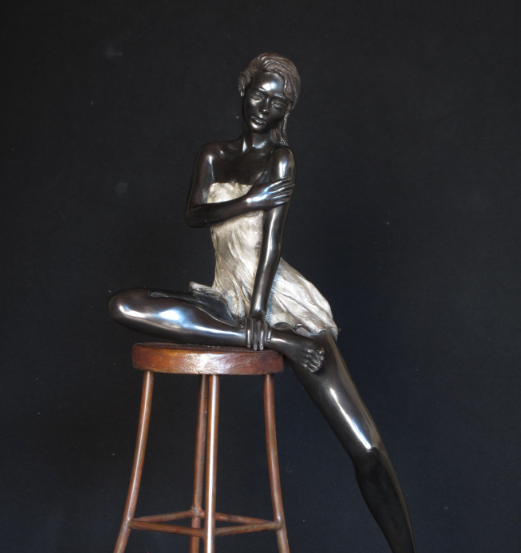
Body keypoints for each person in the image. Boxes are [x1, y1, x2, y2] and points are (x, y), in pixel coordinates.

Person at [109, 53, 417, 553]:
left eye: (277, 102)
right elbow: (194, 214)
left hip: (276, 299)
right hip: (227, 297)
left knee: (365, 445)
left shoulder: (281, 159)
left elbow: (271, 246)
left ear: (286, 110)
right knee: (124, 305)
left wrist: (260, 313)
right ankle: (277, 341)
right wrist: (251, 200)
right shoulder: (214, 155)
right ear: (244, 88)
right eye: (259, 93)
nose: (264, 106)